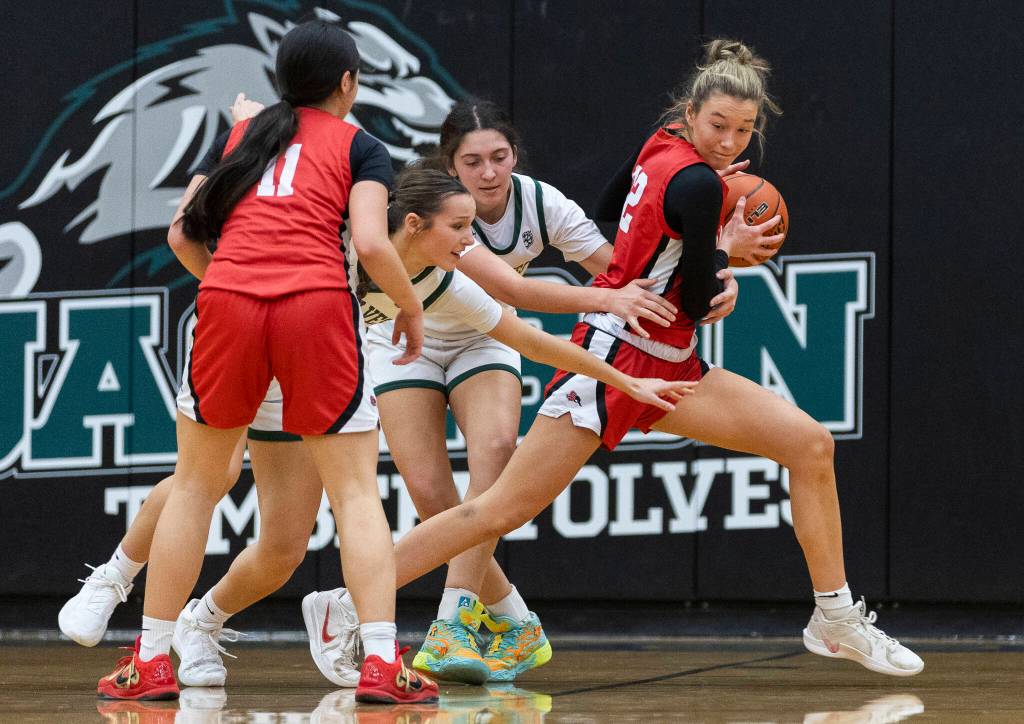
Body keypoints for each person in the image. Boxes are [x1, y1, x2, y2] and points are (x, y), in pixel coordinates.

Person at [317, 39, 925, 679]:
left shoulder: (661, 143)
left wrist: (694, 251)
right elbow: (695, 292)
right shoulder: (694, 181)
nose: (727, 140)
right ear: (690, 114)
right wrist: (726, 253)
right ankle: (342, 602)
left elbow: (611, 212)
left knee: (809, 446)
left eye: (742, 129)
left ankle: (834, 618)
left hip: (675, 365)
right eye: (717, 125)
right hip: (617, 361)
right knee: (495, 511)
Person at [305, 99, 743, 686]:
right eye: (471, 161)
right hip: (400, 335)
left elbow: (621, 271)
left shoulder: (535, 206)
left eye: (499, 157)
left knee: (495, 457)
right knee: (438, 500)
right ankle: (512, 617)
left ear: (514, 155)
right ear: (447, 171)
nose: (487, 173)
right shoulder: (418, 226)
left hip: (481, 336)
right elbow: (521, 290)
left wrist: (712, 256)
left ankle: (452, 620)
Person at [94, 20, 439, 704]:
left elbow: (187, 234)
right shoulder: (359, 144)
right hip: (314, 305)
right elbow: (371, 242)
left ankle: (149, 660)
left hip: (227, 300)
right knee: (355, 496)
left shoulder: (246, 135)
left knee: (195, 487)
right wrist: (409, 305)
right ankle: (379, 662)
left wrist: (228, 281)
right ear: (349, 82)